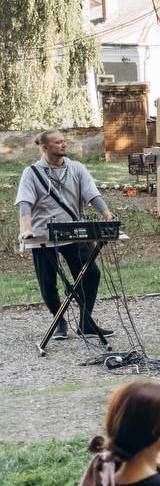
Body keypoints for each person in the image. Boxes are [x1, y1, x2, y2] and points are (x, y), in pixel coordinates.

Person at [15, 129, 115, 340]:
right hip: (42, 234)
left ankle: (85, 322)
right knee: (48, 282)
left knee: (91, 274)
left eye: (64, 141)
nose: (63, 145)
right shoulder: (31, 173)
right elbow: (25, 203)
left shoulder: (76, 168)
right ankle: (59, 321)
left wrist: (106, 213)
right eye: (58, 142)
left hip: (74, 231)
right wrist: (26, 228)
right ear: (45, 147)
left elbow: (91, 192)